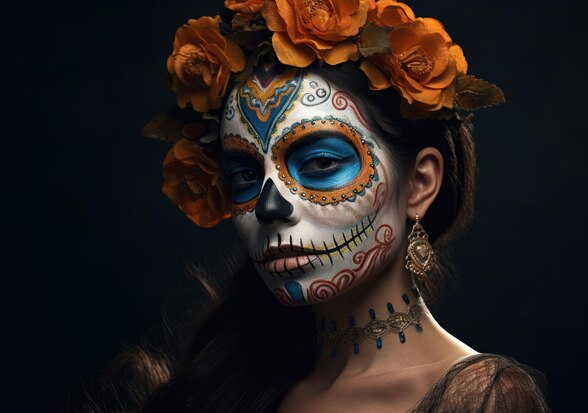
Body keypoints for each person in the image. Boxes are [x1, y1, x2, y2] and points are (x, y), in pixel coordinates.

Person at [87, 1, 550, 412]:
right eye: (246, 174)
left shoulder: (479, 400)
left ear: (419, 184)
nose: (268, 205)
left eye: (322, 161)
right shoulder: (231, 386)